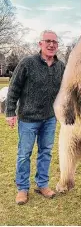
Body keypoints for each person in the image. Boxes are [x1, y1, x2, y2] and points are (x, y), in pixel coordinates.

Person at [5, 30, 65, 205]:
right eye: (48, 41)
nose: (52, 44)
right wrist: (10, 112)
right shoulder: (27, 63)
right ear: (40, 43)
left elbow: (66, 90)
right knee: (24, 154)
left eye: (55, 42)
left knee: (45, 153)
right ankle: (22, 188)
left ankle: (42, 184)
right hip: (28, 119)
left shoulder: (60, 66)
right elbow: (14, 88)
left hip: (49, 118)